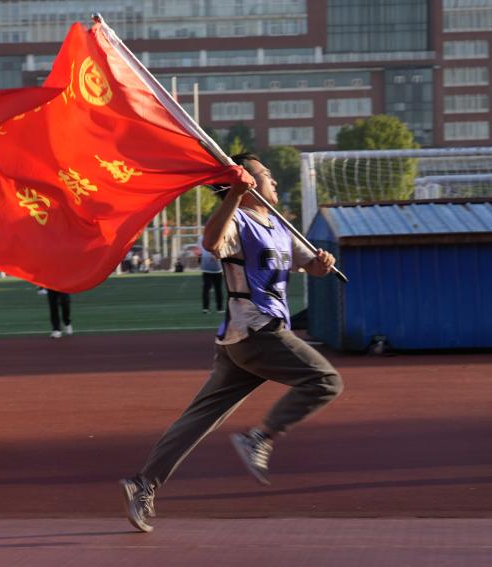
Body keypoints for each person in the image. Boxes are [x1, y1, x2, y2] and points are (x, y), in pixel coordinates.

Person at [119, 154, 343, 533]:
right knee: (326, 381)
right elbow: (211, 242)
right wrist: (235, 195)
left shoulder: (279, 223)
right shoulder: (237, 220)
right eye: (265, 174)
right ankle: (260, 437)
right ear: (247, 183)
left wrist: (320, 264)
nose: (273, 179)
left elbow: (310, 265)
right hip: (257, 330)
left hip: (242, 338)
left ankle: (143, 484)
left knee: (199, 418)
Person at [199, 247, 224, 314]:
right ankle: (205, 308)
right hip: (206, 270)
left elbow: (223, 252)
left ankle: (219, 308)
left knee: (218, 290)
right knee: (206, 289)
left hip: (217, 270)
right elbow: (201, 252)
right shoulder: (201, 241)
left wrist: (216, 255)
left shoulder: (220, 241)